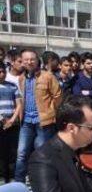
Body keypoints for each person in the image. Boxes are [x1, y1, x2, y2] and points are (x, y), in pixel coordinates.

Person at [15, 49, 62, 183]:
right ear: (22, 61)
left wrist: (51, 111)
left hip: (44, 122)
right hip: (26, 121)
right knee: (21, 153)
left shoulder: (47, 76)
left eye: (32, 59)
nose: (29, 62)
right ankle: (19, 183)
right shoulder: (21, 78)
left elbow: (58, 95)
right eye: (26, 60)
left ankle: (42, 181)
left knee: (41, 153)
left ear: (37, 60)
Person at [0, 65, 22, 182]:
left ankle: (12, 177)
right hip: (1, 123)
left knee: (13, 151)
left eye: (3, 71)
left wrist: (13, 119)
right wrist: (2, 119)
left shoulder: (12, 86)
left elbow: (19, 104)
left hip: (12, 124)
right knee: (1, 152)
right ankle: (3, 176)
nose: (2, 74)